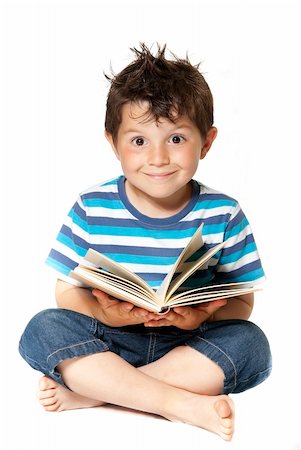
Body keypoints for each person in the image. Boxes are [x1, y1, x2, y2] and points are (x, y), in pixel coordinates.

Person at [19, 43, 272, 441]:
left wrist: (200, 316)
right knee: (43, 329)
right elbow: (67, 293)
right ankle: (180, 403)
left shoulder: (224, 214)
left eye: (176, 139)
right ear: (113, 142)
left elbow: (241, 303)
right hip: (111, 341)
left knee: (251, 344)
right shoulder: (92, 207)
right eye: (138, 141)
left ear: (206, 142)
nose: (157, 158)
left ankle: (97, 394)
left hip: (189, 344)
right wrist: (111, 317)